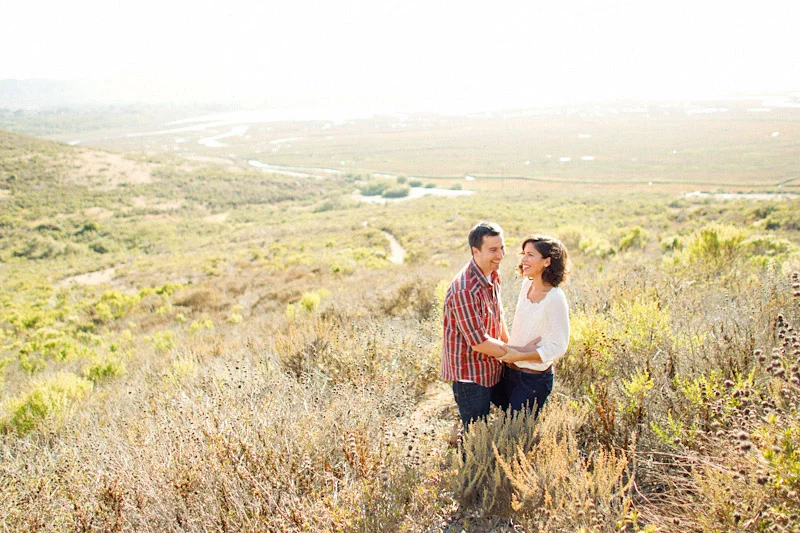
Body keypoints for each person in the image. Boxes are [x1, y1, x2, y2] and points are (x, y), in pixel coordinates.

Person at [441, 221, 529, 430]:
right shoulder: (465, 289)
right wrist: (515, 355)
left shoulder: (492, 274)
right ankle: (471, 462)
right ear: (475, 251)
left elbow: (498, 319)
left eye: (502, 248)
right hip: (470, 376)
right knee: (475, 433)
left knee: (517, 414)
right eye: (493, 250)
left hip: (492, 366)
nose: (500, 255)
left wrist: (510, 356)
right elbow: (479, 342)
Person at [496, 235, 571, 418]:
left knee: (514, 433)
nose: (523, 260)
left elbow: (558, 347)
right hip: (510, 371)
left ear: (547, 261)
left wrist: (521, 354)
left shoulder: (555, 298)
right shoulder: (526, 285)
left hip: (533, 380)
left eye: (530, 255)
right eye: (523, 254)